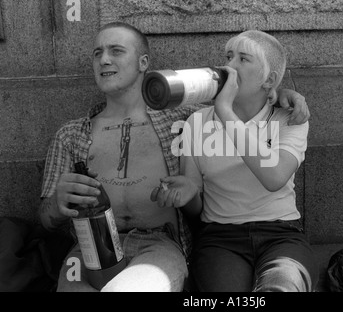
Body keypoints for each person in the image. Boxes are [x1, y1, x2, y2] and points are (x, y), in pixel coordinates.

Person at [39, 22, 310, 292]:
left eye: (116, 51)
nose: (104, 59)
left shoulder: (178, 117)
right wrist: (57, 203)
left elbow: (244, 105)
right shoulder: (70, 134)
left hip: (157, 246)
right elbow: (46, 220)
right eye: (97, 53)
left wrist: (282, 94)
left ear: (143, 62)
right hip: (89, 249)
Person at [153, 30, 319, 292]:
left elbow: (274, 177)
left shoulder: (289, 119)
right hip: (220, 237)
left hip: (281, 235)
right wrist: (187, 196)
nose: (229, 66)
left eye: (243, 59)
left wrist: (226, 112)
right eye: (228, 56)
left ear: (269, 80)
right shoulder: (198, 122)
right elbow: (197, 206)